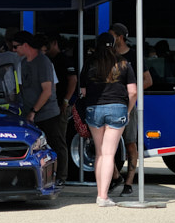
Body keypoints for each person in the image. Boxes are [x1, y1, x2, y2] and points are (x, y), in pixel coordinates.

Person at [79, 32, 137, 206]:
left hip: (94, 108)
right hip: (117, 108)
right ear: (114, 45)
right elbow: (133, 92)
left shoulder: (89, 63)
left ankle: (100, 194)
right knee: (109, 154)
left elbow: (83, 92)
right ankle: (103, 197)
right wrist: (127, 110)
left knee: (99, 153)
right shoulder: (124, 64)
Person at [14, 31, 69, 188]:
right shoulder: (23, 63)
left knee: (56, 145)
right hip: (30, 114)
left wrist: (34, 110)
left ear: (25, 45)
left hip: (47, 113)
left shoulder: (43, 62)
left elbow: (47, 91)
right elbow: (22, 89)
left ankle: (61, 177)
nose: (14, 50)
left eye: (16, 46)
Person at [110, 23, 152, 196]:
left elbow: (148, 80)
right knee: (106, 146)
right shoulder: (109, 55)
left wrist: (130, 93)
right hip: (111, 104)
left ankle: (128, 183)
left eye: (111, 35)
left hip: (129, 106)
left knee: (130, 145)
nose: (109, 39)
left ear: (119, 37)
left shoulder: (134, 55)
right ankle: (115, 176)